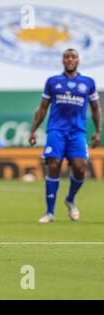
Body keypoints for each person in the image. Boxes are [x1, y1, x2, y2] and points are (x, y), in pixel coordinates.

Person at [29, 48, 102, 223]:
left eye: (73, 57)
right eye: (67, 57)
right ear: (63, 61)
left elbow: (95, 108)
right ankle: (50, 212)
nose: (70, 59)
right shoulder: (53, 82)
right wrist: (33, 130)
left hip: (77, 132)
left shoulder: (88, 82)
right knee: (53, 165)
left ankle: (70, 199)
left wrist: (98, 131)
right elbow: (43, 108)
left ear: (78, 60)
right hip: (56, 131)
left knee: (80, 166)